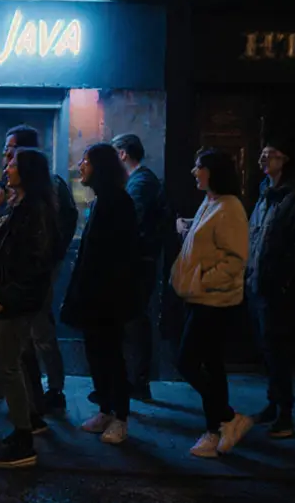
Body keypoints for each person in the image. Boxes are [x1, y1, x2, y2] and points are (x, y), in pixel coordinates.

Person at [0, 147, 63, 468]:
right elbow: (8, 248)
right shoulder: (24, 206)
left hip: (16, 301)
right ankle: (22, 428)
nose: (6, 167)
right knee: (8, 363)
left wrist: (7, 296)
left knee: (5, 365)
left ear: (27, 171)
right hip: (11, 297)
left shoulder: (35, 210)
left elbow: (35, 265)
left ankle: (24, 438)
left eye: (12, 163)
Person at [171, 149, 254, 458]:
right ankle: (215, 429)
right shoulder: (212, 202)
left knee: (187, 362)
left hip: (214, 300)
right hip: (200, 298)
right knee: (212, 365)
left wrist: (201, 280)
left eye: (199, 167)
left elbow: (235, 260)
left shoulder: (230, 207)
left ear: (213, 171)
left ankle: (228, 417)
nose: (194, 172)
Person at [0, 126, 76, 413]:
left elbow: (62, 224)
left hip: (36, 272)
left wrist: (52, 259)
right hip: (21, 274)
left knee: (40, 330)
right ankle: (31, 395)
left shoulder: (48, 186)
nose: (6, 155)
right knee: (24, 338)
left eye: (11, 148)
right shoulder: (14, 186)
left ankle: (53, 390)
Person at [61, 143, 139, 444]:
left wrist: (110, 294)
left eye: (86, 161)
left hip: (109, 298)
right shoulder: (101, 201)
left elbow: (120, 256)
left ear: (101, 167)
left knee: (111, 356)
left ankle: (121, 416)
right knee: (96, 354)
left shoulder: (118, 203)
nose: (80, 166)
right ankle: (105, 409)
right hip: (93, 297)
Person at [245, 139, 295, 438]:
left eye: (270, 155)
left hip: (275, 286)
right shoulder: (267, 193)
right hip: (258, 282)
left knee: (277, 349)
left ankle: (284, 412)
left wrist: (287, 277)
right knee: (267, 347)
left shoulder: (294, 196)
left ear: (285, 159)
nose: (263, 159)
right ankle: (274, 403)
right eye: (262, 154)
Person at [111, 133, 167, 401]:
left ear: (123, 154)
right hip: (141, 260)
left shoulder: (140, 182)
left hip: (138, 262)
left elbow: (130, 219)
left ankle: (138, 381)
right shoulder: (141, 181)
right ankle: (136, 380)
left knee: (134, 321)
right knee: (134, 320)